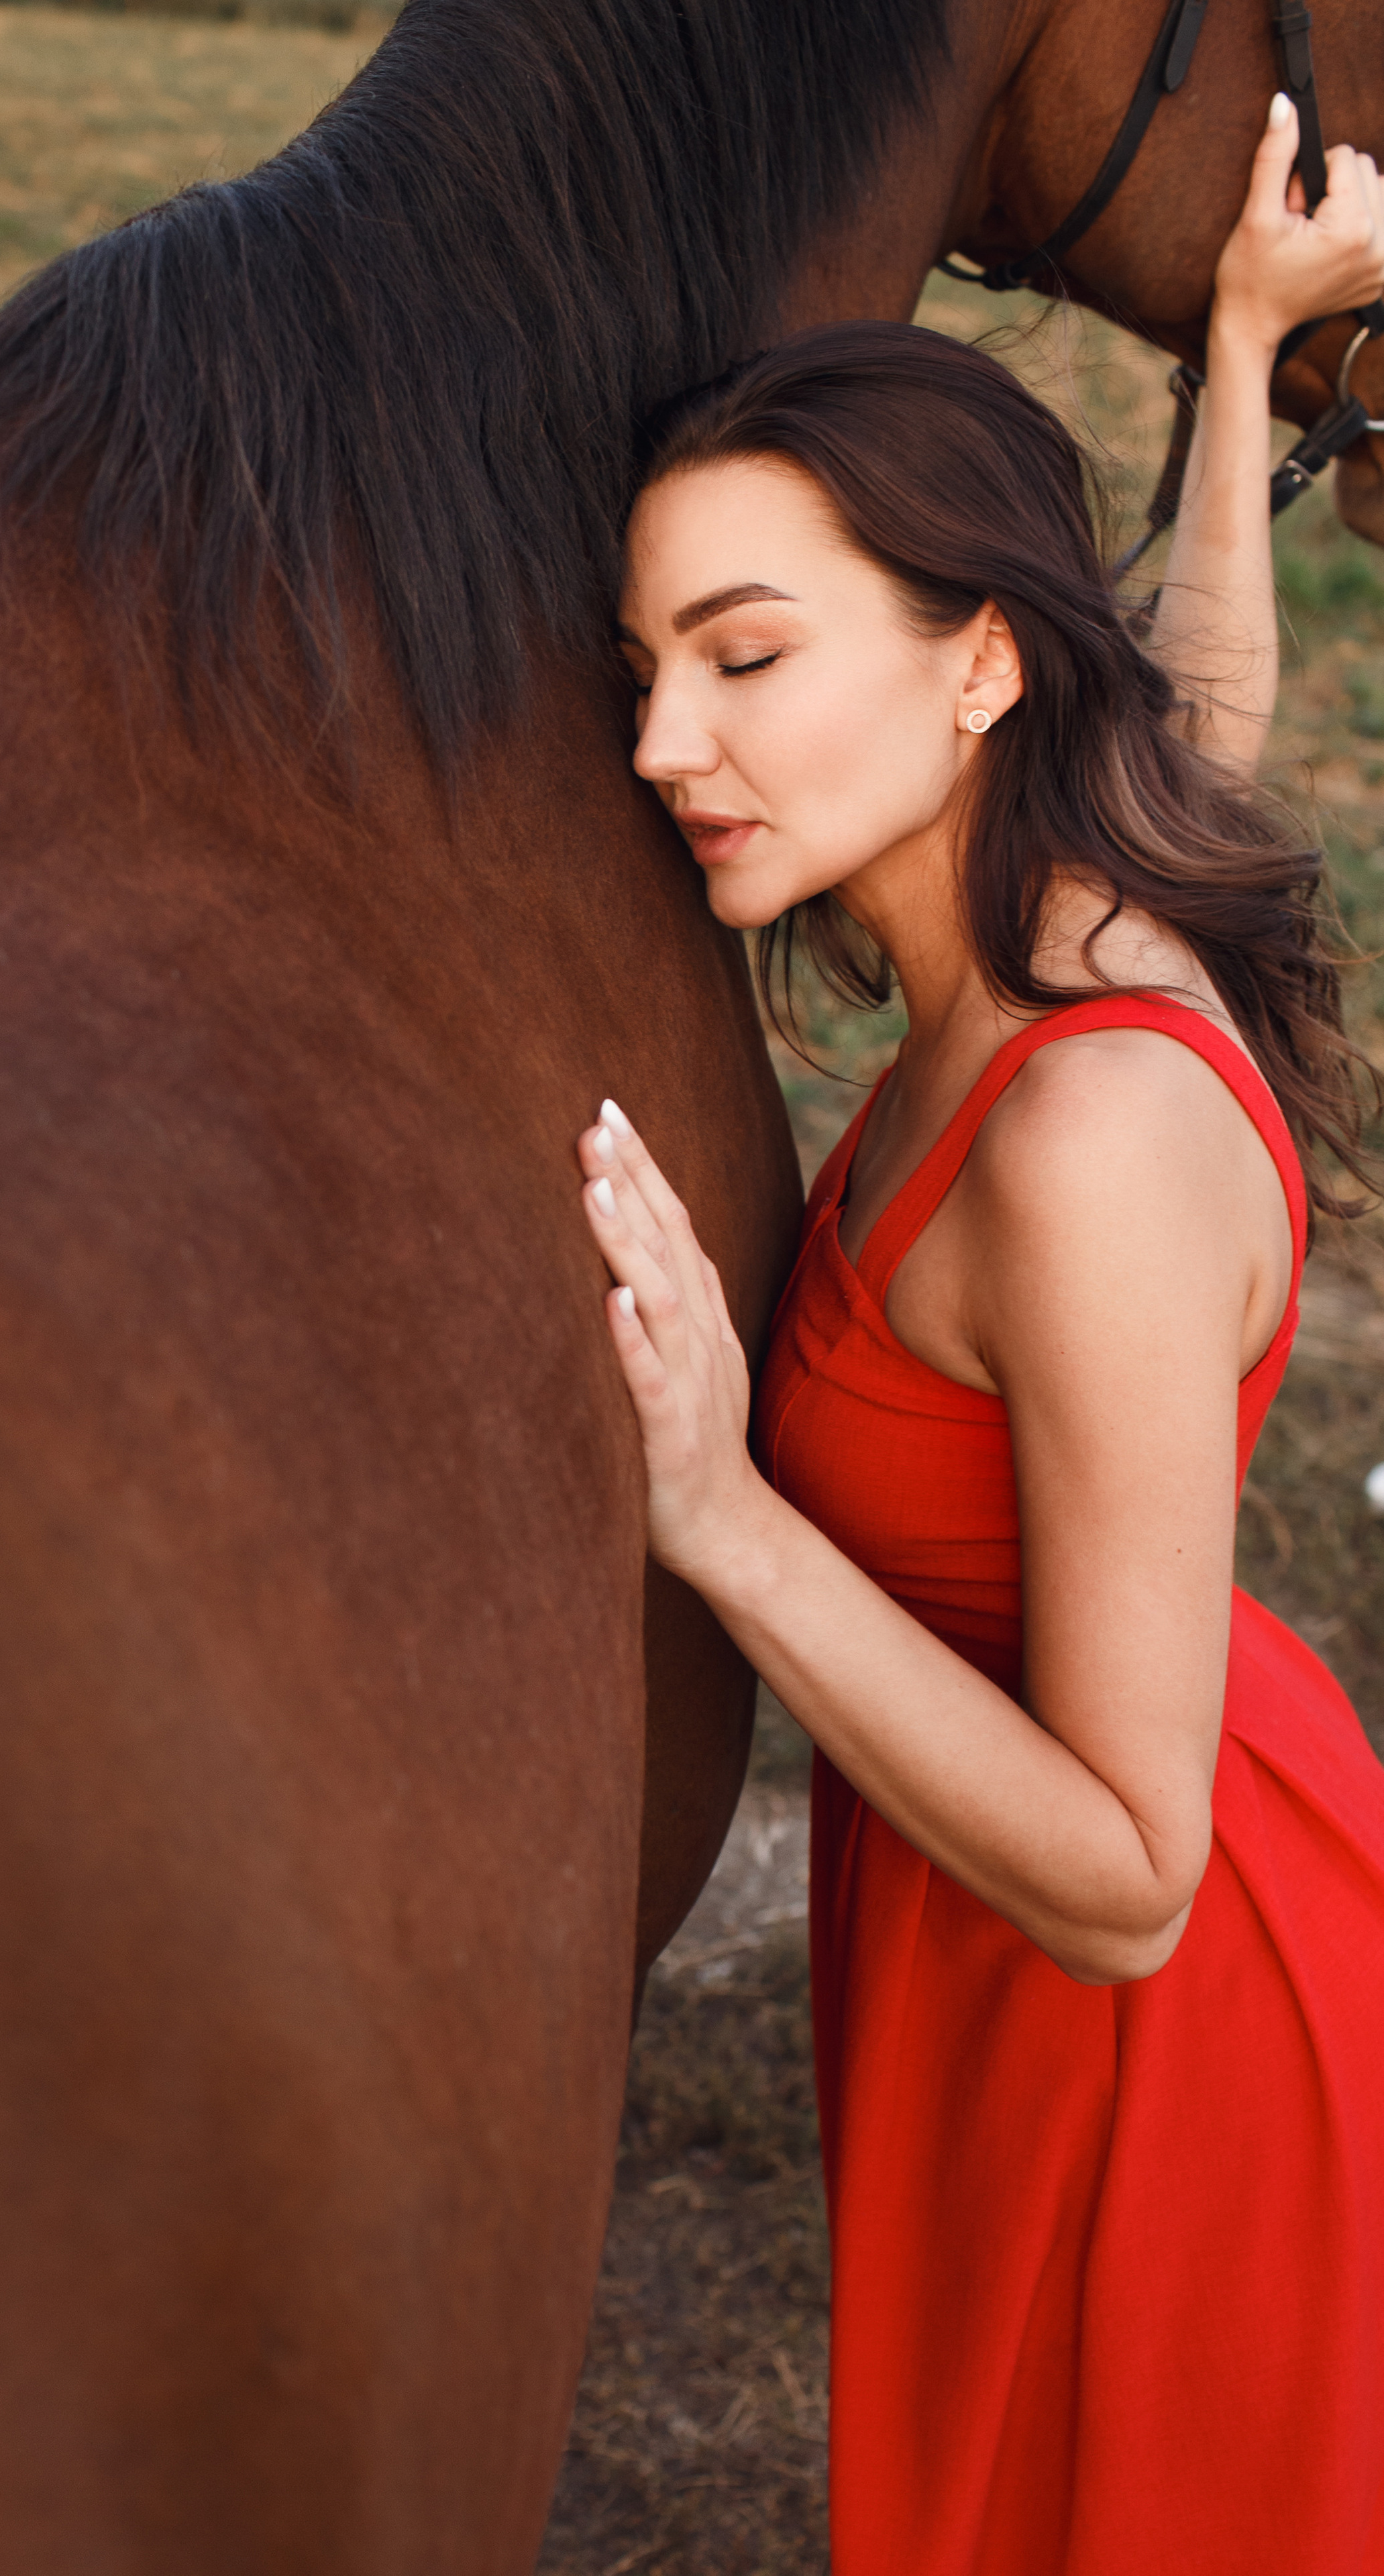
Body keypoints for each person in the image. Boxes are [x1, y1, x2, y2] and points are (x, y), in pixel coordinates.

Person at [577, 98, 1384, 2575]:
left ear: (982, 664)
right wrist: (1243, 351)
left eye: (744, 660)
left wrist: (724, 1520)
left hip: (1153, 2015)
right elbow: (1210, 692)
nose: (657, 748)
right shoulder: (1080, 902)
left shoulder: (1083, 1137)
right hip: (1003, 1932)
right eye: (643, 668)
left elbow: (1132, 1877)